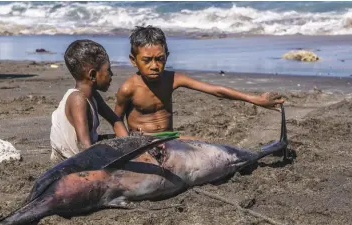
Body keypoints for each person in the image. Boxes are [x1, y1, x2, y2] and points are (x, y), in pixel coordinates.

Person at [113, 25, 285, 139]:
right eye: (147, 60)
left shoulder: (173, 78)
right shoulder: (128, 88)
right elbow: (116, 120)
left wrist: (256, 99)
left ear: (167, 57)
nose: (154, 66)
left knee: (207, 145)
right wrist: (126, 145)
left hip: (171, 138)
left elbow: (216, 90)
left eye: (159, 59)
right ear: (133, 60)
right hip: (141, 143)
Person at [50, 39, 128, 162]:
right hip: (70, 159)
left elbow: (115, 120)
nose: (112, 74)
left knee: (127, 141)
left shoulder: (93, 96)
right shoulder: (77, 99)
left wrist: (128, 144)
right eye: (108, 70)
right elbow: (84, 145)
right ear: (92, 75)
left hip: (88, 147)